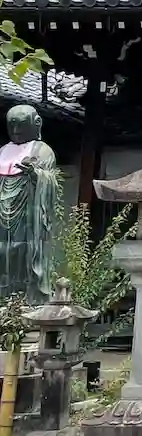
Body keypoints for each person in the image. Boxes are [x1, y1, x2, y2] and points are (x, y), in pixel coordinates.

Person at [0, 104, 63, 303]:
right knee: (2, 252)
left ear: (36, 124)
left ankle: (25, 299)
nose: (16, 130)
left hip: (28, 211)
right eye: (12, 125)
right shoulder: (2, 150)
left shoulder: (42, 151)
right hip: (2, 211)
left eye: (21, 125)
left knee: (22, 252)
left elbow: (50, 180)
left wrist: (35, 174)